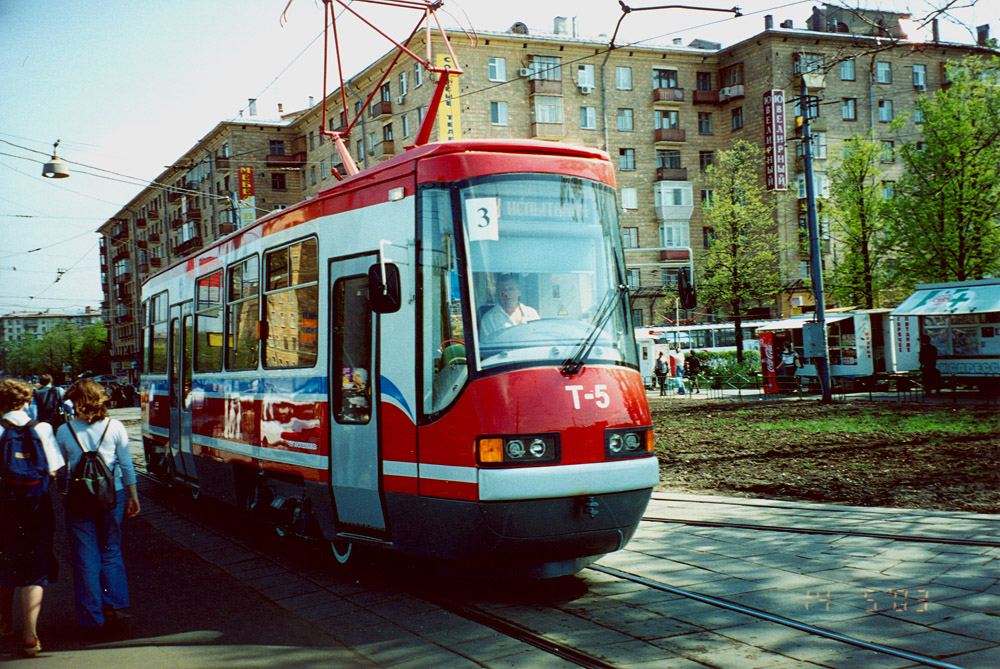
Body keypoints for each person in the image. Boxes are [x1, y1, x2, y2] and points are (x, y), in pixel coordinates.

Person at [55, 379, 140, 636]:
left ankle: (93, 618)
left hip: (78, 500)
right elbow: (126, 465)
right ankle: (115, 605)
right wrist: (132, 496)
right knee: (111, 550)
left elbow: (61, 471)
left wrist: (64, 493)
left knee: (85, 557)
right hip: (110, 497)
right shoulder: (115, 426)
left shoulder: (64, 430)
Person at [0, 377, 65, 657]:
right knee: (34, 570)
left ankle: (5, 622)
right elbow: (54, 469)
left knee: (4, 564)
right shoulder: (43, 428)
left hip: (3, 509)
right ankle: (30, 635)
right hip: (36, 507)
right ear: (27, 401)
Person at [479, 274, 540, 339]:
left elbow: (539, 339)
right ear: (497, 294)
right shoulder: (489, 319)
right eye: (503, 290)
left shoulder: (531, 313)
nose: (507, 293)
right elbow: (487, 346)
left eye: (511, 289)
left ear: (519, 292)